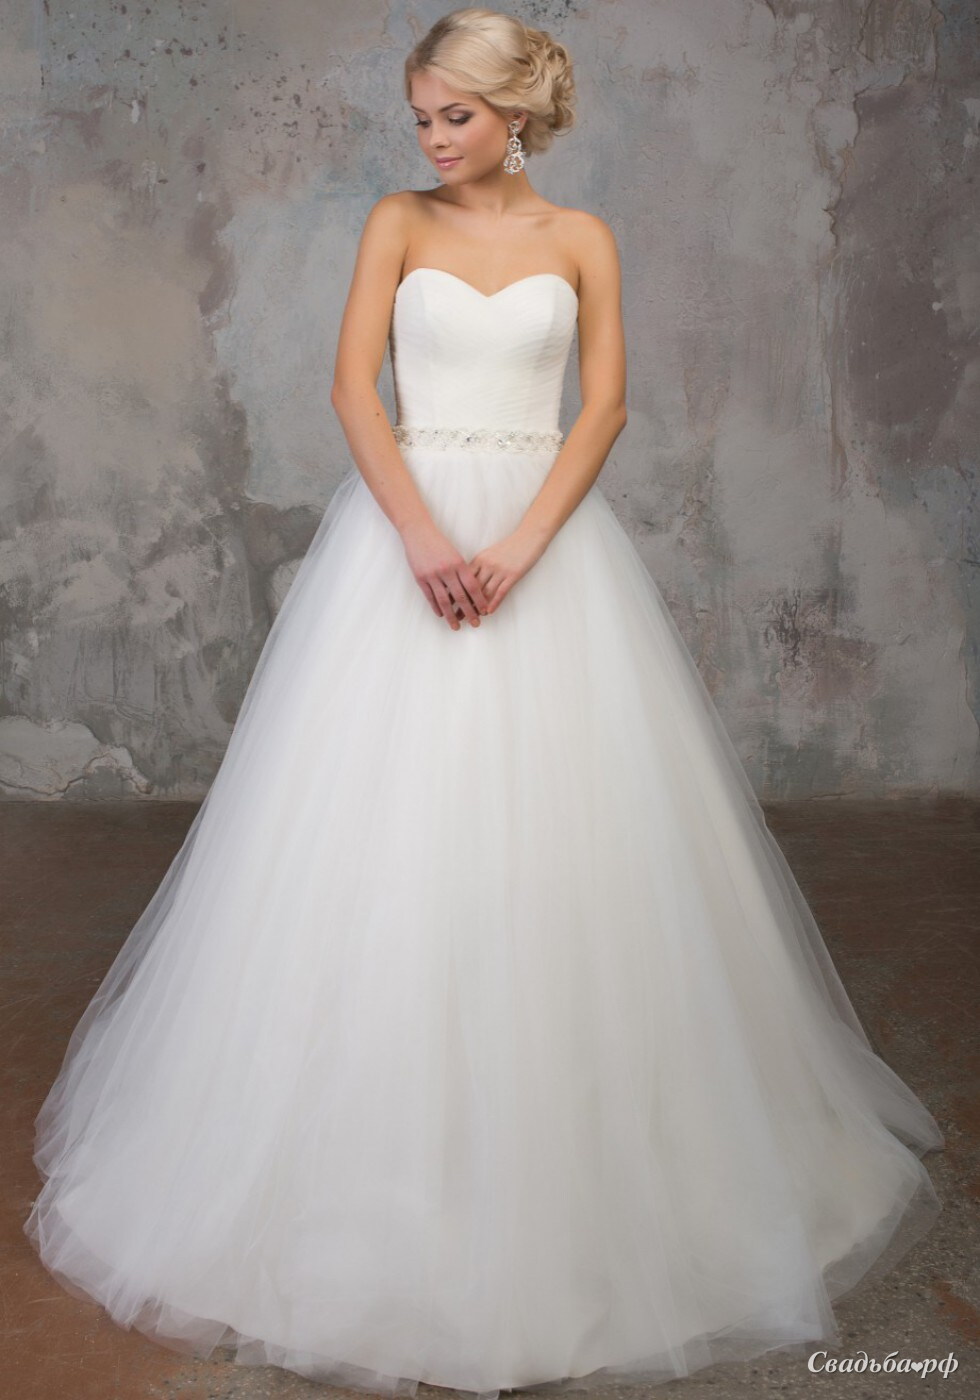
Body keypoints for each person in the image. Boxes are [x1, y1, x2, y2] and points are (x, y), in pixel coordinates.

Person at [24, 9, 944, 1400]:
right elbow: (353, 389)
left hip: (542, 549)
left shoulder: (584, 240)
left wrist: (517, 547)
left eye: (453, 114)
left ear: (517, 114)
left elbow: (605, 407)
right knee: (376, 845)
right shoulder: (396, 222)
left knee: (565, 849)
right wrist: (424, 540)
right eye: (421, 117)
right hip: (404, 544)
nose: (432, 139)